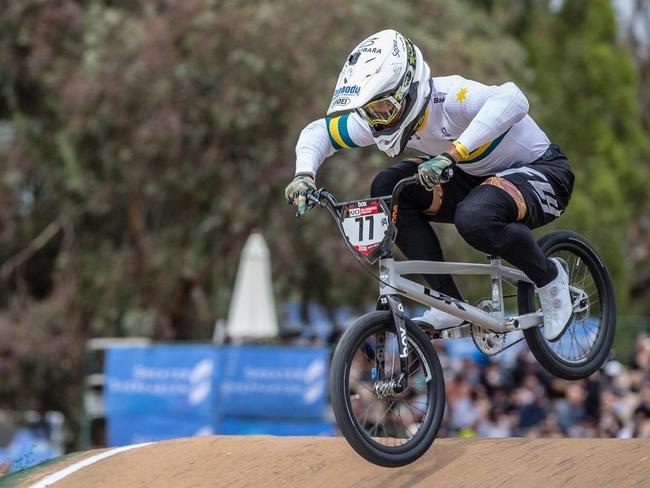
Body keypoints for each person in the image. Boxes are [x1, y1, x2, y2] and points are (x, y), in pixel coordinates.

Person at [285, 30, 574, 341]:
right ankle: (447, 302)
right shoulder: (378, 118)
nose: (378, 121)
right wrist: (305, 174)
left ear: (408, 91)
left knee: (474, 216)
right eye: (370, 112)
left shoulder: (451, 97)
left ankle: (549, 277)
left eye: (383, 108)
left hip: (541, 171)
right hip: (472, 176)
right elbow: (320, 132)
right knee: (388, 186)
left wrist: (454, 153)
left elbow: (515, 99)